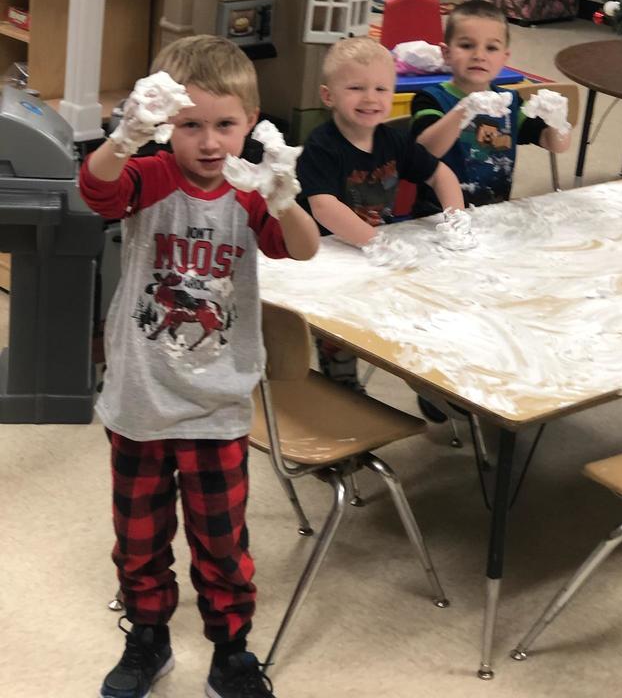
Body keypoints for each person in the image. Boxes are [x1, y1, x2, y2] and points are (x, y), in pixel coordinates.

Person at [80, 35, 319, 698]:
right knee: (138, 537)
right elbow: (96, 189)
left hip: (218, 403)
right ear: (165, 125)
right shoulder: (151, 176)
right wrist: (125, 136)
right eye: (190, 125)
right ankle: (147, 636)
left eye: (225, 125)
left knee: (222, 542)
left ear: (249, 124)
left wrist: (283, 197)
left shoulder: (248, 193)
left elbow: (302, 251)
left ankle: (231, 651)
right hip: (139, 398)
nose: (210, 143)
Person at [296, 36, 464, 389]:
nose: (370, 98)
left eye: (381, 89)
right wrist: (376, 243)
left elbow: (440, 174)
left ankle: (433, 388)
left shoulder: (394, 141)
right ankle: (344, 406)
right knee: (341, 340)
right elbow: (324, 207)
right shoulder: (322, 146)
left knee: (420, 319)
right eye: (356, 88)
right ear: (329, 96)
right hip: (329, 262)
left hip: (374, 255)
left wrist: (456, 221)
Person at [410, 0, 571, 216]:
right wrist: (465, 110)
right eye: (467, 45)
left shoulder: (510, 102)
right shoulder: (430, 99)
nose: (479, 55)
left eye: (491, 48)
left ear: (505, 58)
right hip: (437, 217)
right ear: (446, 53)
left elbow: (555, 145)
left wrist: (558, 120)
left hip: (494, 215)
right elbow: (425, 151)